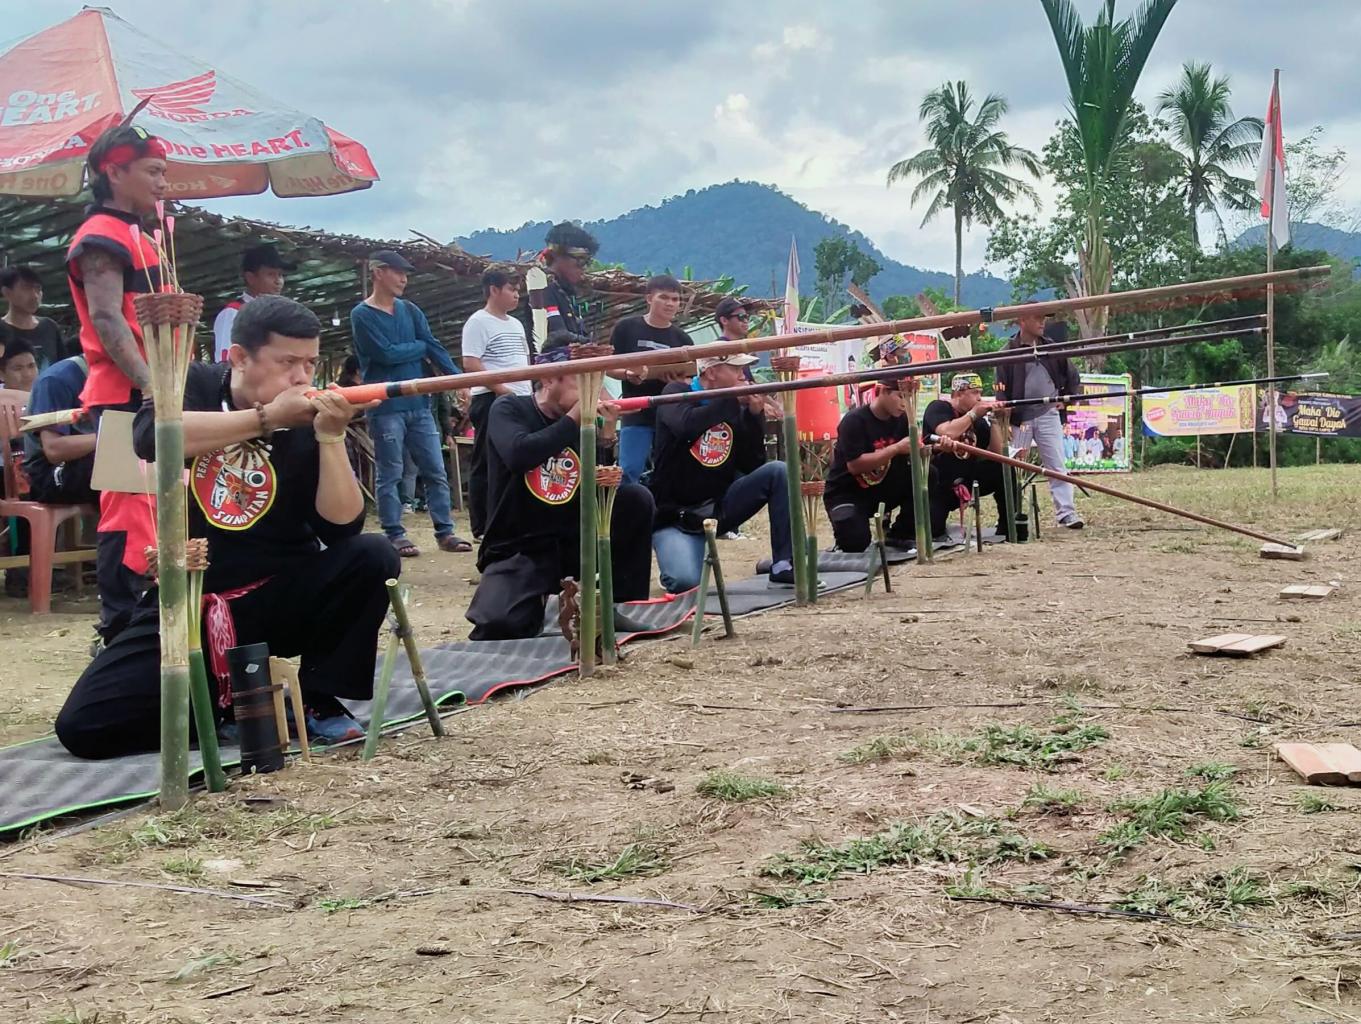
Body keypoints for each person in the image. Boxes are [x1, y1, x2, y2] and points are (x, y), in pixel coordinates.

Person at [54, 296, 400, 758]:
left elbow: (341, 527)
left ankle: (316, 698)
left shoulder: (306, 415)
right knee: (84, 726)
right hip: (192, 601)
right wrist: (266, 419)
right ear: (239, 357)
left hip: (282, 594)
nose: (301, 377)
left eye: (309, 363)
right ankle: (229, 709)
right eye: (287, 362)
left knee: (372, 555)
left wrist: (330, 436)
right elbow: (153, 437)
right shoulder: (191, 383)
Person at [466, 346, 654, 640]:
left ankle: (611, 604)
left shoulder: (581, 421)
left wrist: (605, 439)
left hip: (571, 538)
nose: (591, 393)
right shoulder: (509, 408)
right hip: (520, 545)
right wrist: (575, 419)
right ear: (549, 379)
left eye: (596, 384)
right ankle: (538, 601)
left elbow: (595, 486)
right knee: (498, 625)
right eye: (581, 382)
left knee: (635, 500)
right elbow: (519, 454)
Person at [66, 123, 169, 642]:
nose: (162, 183)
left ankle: (144, 623)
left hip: (149, 391)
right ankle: (121, 628)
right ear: (114, 171)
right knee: (129, 512)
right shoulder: (101, 236)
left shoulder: (141, 233)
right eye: (152, 171)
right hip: (126, 393)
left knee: (150, 507)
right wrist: (150, 384)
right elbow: (107, 318)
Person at [351, 249, 471, 557]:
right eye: (398, 272)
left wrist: (458, 379)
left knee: (435, 469)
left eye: (405, 273)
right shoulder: (361, 315)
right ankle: (395, 533)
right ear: (378, 272)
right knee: (391, 472)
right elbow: (384, 354)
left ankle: (445, 531)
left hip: (420, 405)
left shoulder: (410, 310)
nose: (404, 278)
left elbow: (432, 346)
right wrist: (419, 347)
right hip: (385, 406)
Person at [649, 353, 793, 591]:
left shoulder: (731, 405)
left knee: (778, 471)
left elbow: (751, 465)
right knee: (684, 582)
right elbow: (686, 425)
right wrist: (731, 400)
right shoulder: (676, 392)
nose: (742, 376)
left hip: (718, 506)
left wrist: (753, 417)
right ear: (711, 372)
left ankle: (784, 564)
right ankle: (676, 554)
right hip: (676, 515)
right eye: (735, 369)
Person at [994, 308, 1083, 529]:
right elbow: (1000, 385)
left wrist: (1068, 399)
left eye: (1043, 318)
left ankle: (1066, 513)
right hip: (1019, 418)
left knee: (1056, 465)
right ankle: (1012, 514)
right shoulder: (1007, 351)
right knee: (1014, 466)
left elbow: (1073, 376)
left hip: (1048, 413)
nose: (1042, 322)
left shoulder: (1051, 347)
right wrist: (1003, 412)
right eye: (1037, 318)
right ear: (1022, 320)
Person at [461, 267, 531, 539]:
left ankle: (510, 517)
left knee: (514, 459)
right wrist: (502, 390)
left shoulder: (516, 324)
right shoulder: (478, 322)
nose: (516, 295)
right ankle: (481, 525)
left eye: (518, 290)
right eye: (511, 289)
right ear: (494, 289)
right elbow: (471, 363)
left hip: (519, 398)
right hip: (491, 398)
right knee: (485, 460)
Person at [609, 274, 693, 485]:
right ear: (648, 298)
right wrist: (628, 374)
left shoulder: (682, 339)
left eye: (675, 299)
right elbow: (608, 367)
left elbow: (690, 379)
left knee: (670, 473)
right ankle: (625, 505)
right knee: (629, 471)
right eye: (663, 297)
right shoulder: (626, 328)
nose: (670, 303)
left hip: (670, 415)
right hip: (636, 412)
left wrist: (675, 382)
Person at [823, 380, 924, 552]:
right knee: (855, 543)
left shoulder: (904, 420)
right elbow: (855, 465)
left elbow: (912, 458)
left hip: (882, 489)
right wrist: (896, 448)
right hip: (847, 493)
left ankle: (900, 533)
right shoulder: (854, 420)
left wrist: (929, 449)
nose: (904, 404)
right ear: (882, 391)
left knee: (928, 474)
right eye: (901, 396)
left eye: (909, 398)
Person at [923, 373, 1013, 539]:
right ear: (958, 394)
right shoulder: (938, 407)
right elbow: (947, 431)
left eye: (980, 393)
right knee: (933, 530)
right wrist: (972, 414)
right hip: (940, 484)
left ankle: (1008, 526)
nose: (979, 398)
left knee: (1003, 469)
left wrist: (995, 420)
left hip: (968, 480)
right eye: (974, 392)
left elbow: (997, 455)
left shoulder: (978, 421)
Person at [22, 352, 98, 506]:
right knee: (116, 474)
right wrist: (109, 437)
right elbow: (53, 450)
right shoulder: (55, 380)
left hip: (88, 461)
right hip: (49, 473)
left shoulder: (122, 379)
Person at [211, 244, 296, 363]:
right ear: (250, 278)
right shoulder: (233, 313)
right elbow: (225, 362)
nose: (278, 281)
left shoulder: (279, 317)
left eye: (280, 275)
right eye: (271, 274)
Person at [531, 222, 597, 349]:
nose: (583, 268)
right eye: (580, 260)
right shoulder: (543, 289)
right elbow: (557, 335)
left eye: (587, 262)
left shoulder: (564, 292)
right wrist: (586, 343)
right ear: (557, 256)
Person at [0, 266, 67, 370]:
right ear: (7, 293)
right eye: (26, 288)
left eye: (38, 289)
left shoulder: (50, 327)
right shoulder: (2, 330)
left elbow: (63, 367)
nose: (35, 296)